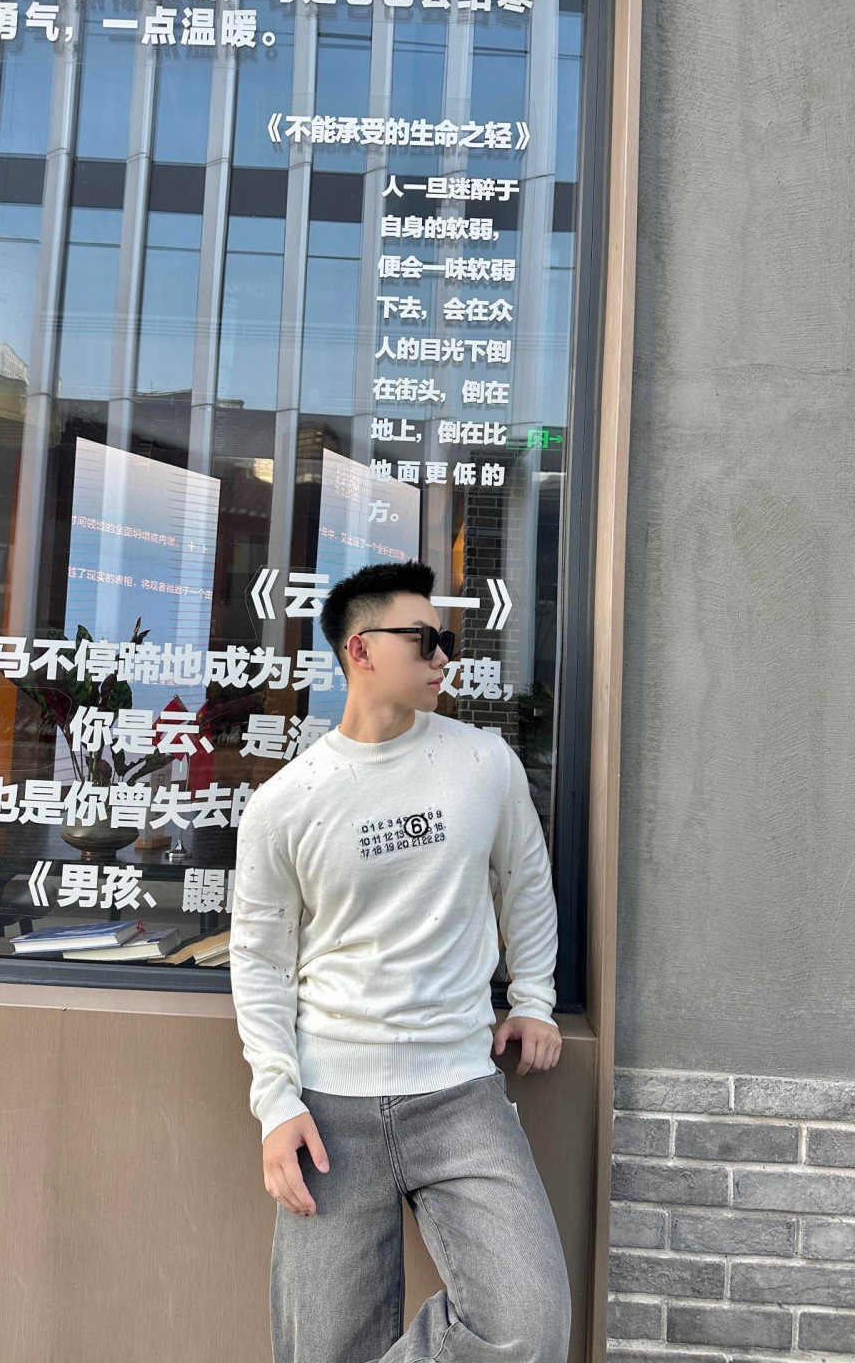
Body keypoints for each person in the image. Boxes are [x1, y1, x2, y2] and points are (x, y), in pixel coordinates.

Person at [230, 559, 571, 1363]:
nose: (443, 655)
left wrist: (534, 999)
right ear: (360, 650)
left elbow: (525, 883)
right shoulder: (286, 802)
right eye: (423, 639)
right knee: (324, 1347)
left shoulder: (484, 763)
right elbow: (261, 961)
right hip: (329, 1109)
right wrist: (276, 1104)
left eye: (446, 639)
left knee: (528, 1328)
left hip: (461, 1093)